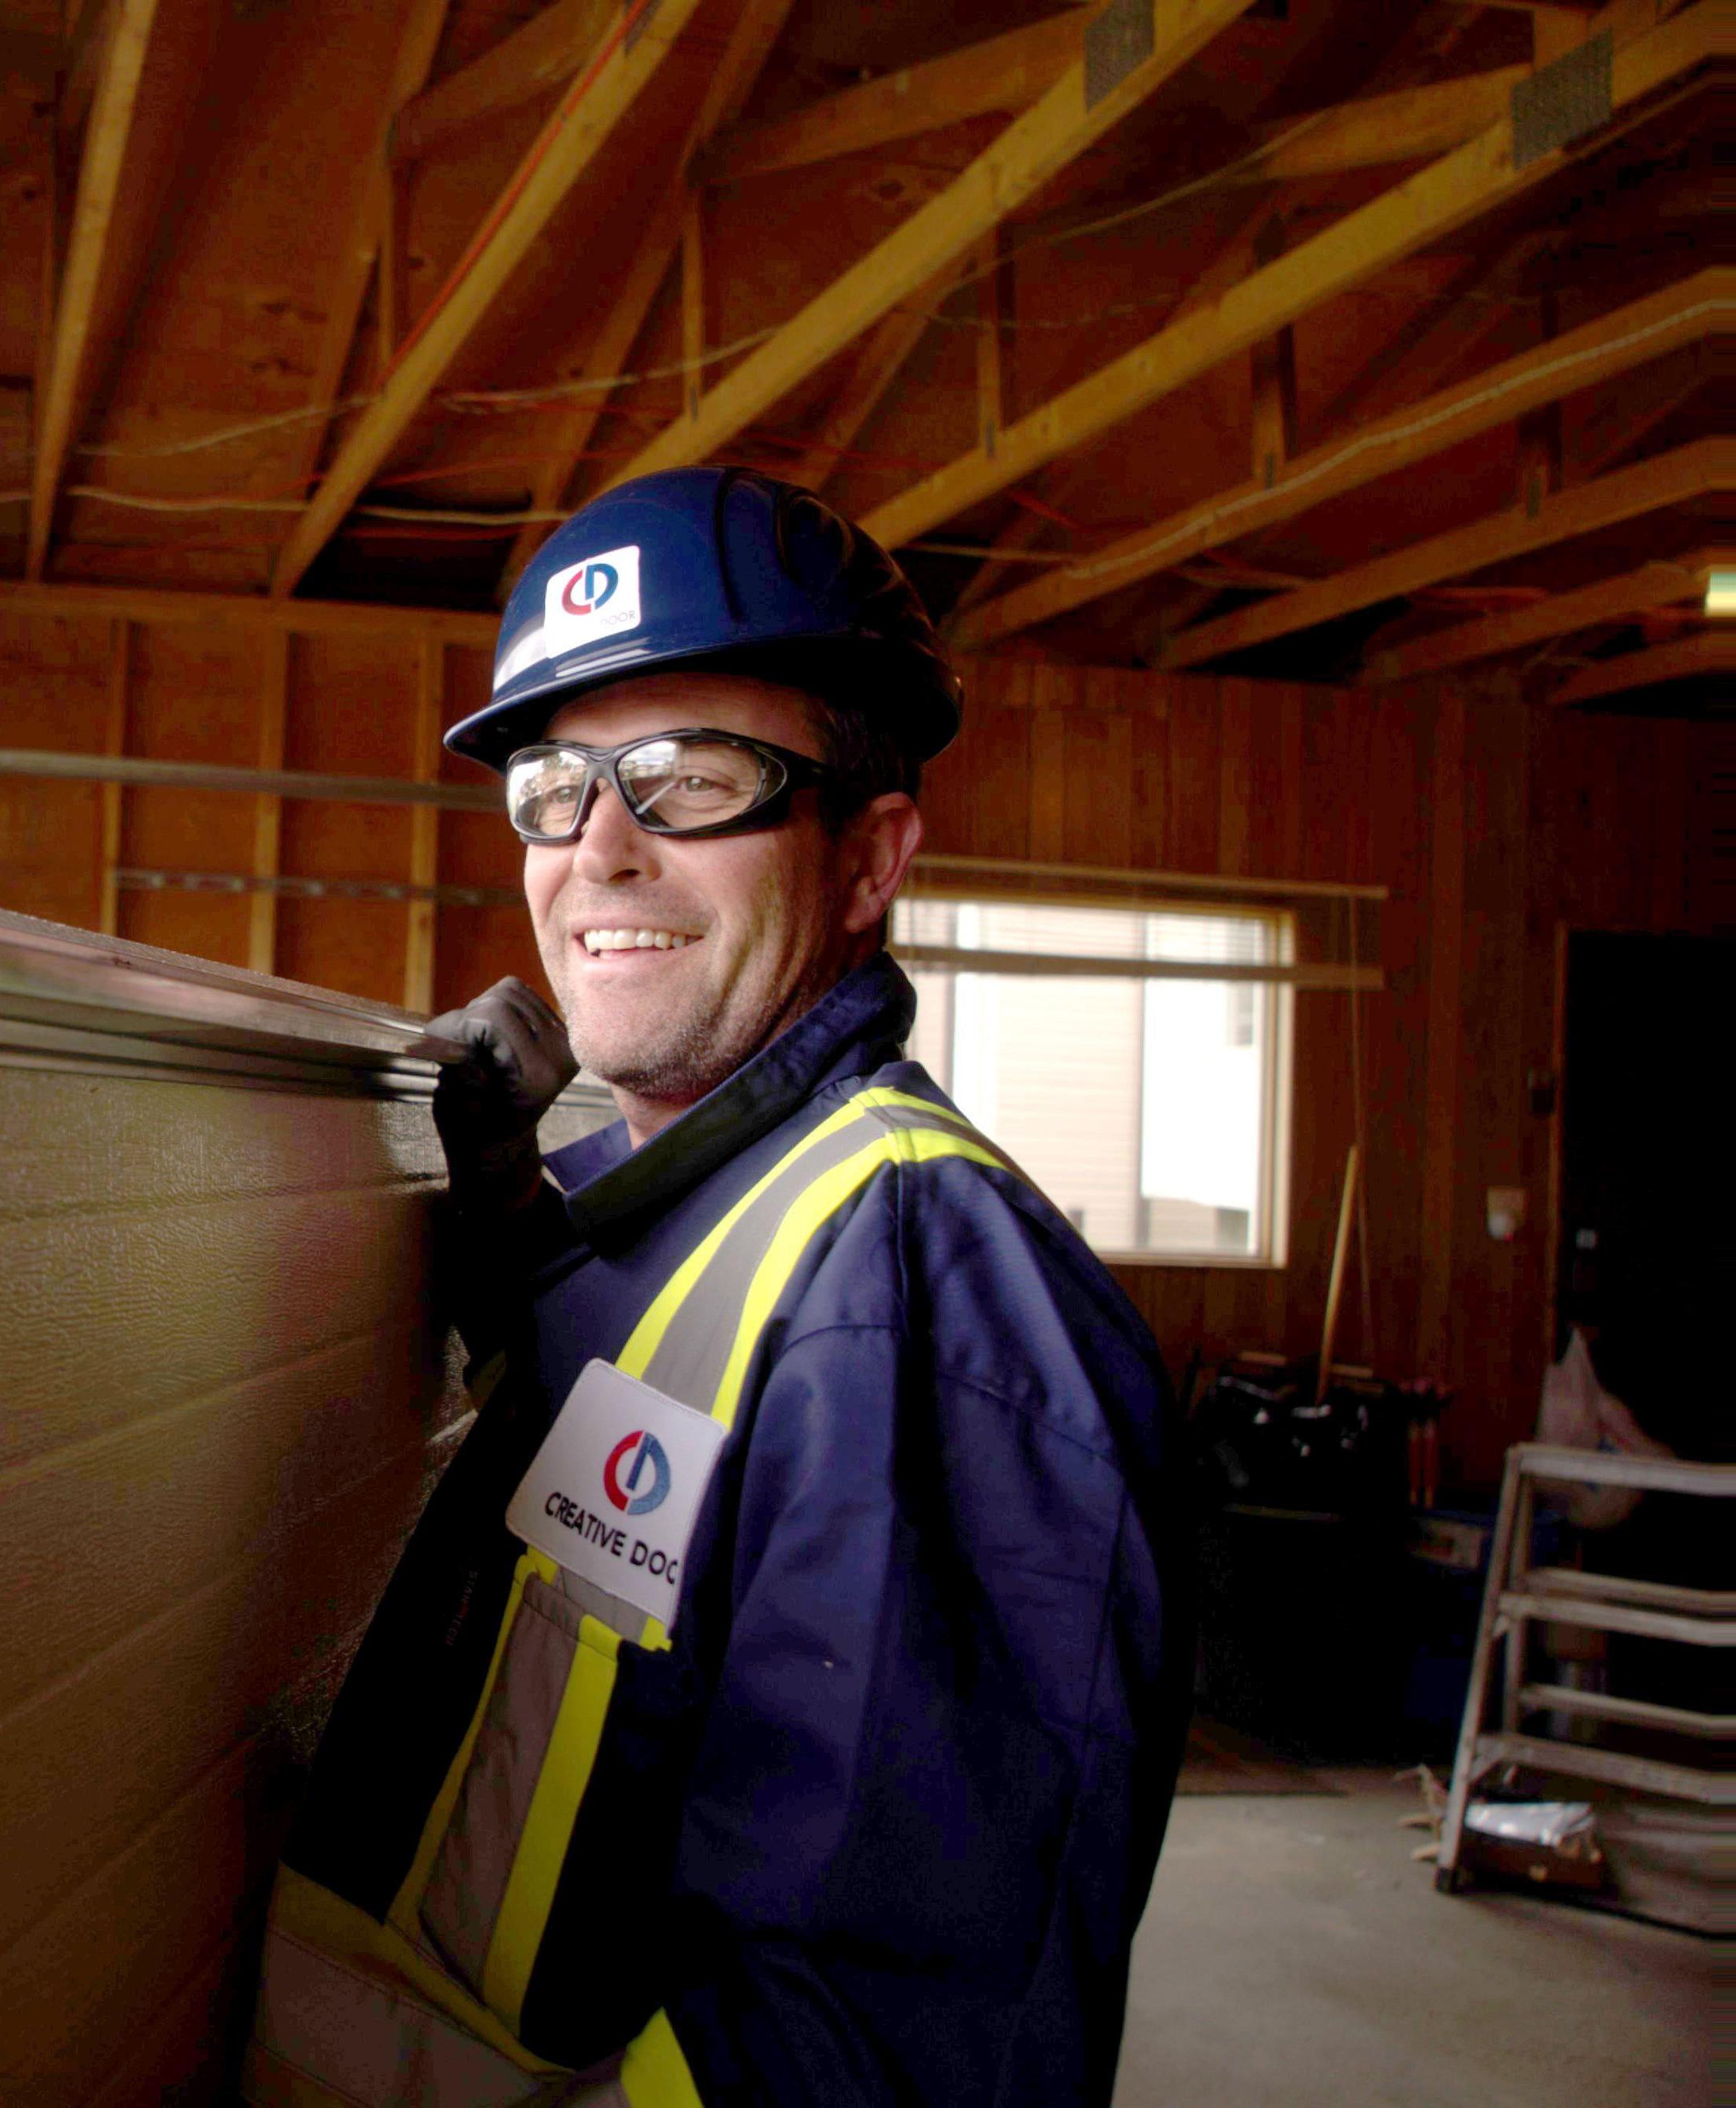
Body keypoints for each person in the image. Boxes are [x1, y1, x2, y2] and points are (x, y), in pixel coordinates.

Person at [245, 469, 1186, 2108]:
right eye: (555, 787)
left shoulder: (926, 1307)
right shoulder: (652, 1205)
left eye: (690, 779)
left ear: (867, 857)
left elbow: (887, 2053)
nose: (597, 850)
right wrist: (491, 1219)